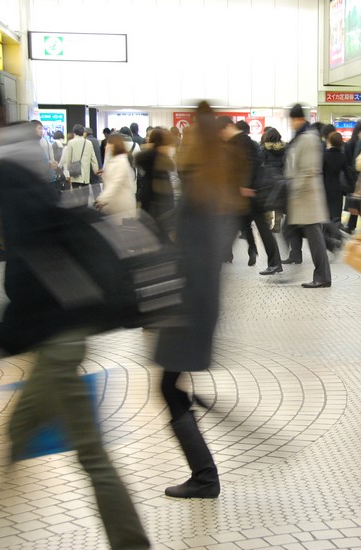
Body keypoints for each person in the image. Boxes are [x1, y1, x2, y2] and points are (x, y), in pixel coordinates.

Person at [0, 66, 151, 550]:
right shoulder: (19, 159)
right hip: (58, 330)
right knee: (19, 434)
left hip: (59, 332)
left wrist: (15, 325)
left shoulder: (13, 169)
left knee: (89, 453)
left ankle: (132, 547)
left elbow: (37, 256)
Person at [155, 101, 249, 499]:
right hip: (199, 305)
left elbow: (190, 258)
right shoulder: (216, 186)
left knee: (169, 387)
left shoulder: (197, 191)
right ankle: (204, 473)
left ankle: (205, 477)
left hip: (186, 306)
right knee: (171, 385)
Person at [221, 117, 283, 274]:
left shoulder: (243, 141)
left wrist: (246, 185)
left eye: (222, 130)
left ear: (229, 126)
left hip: (249, 194)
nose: (222, 134)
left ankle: (274, 262)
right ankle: (267, 258)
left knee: (256, 228)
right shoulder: (239, 141)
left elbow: (252, 164)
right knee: (237, 226)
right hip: (242, 195)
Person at [282, 104, 332, 288]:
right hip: (302, 198)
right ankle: (319, 273)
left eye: (292, 120)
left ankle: (323, 276)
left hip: (307, 197)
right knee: (299, 233)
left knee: (315, 239)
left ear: (298, 119)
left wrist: (294, 188)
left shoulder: (308, 138)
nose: (291, 123)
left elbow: (309, 169)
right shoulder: (302, 137)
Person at [135, 128, 177, 244]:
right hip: (158, 216)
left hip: (149, 214)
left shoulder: (150, 162)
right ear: (161, 145)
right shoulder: (159, 164)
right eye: (168, 144)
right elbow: (164, 196)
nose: (171, 147)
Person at [95, 133, 136, 224]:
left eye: (108, 144)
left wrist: (101, 199)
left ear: (114, 145)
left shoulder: (120, 162)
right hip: (115, 207)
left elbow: (114, 184)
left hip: (122, 208)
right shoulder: (116, 160)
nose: (106, 146)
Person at [322, 131, 353, 249]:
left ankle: (328, 239)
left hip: (324, 188)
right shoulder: (342, 156)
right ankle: (337, 237)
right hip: (337, 189)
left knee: (326, 215)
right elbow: (348, 173)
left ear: (329, 141)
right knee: (336, 215)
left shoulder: (324, 156)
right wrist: (351, 187)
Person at [59, 124, 100, 208]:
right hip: (85, 172)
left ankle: (79, 208)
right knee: (86, 191)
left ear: (74, 132)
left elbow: (68, 159)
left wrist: (67, 174)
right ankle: (85, 207)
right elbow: (93, 158)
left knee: (76, 190)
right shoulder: (88, 143)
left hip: (75, 171)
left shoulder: (71, 142)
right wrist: (96, 169)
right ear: (83, 133)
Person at [260, 127, 287, 233]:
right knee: (278, 203)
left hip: (268, 179)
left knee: (267, 202)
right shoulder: (285, 148)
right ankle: (277, 225)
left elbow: (261, 164)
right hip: (281, 178)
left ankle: (268, 221)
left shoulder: (264, 149)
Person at [85, 127, 104, 200]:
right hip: (98, 165)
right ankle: (98, 199)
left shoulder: (87, 141)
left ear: (85, 133)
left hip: (90, 166)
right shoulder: (96, 140)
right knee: (96, 184)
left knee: (87, 184)